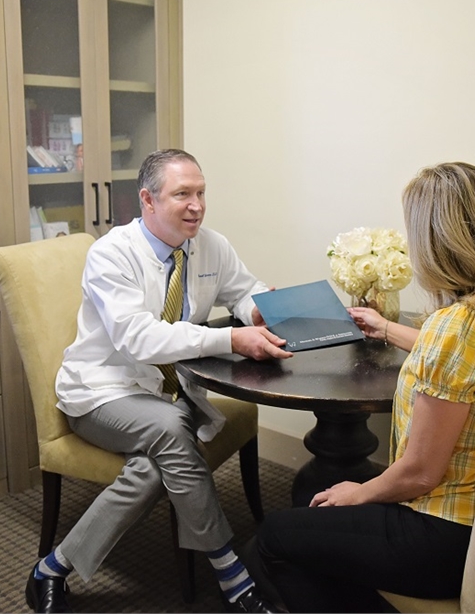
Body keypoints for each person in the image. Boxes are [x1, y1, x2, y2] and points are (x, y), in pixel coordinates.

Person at [247, 161, 475, 612]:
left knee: (270, 542)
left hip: (439, 532)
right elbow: (467, 366)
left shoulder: (454, 328)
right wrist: (387, 329)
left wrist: (358, 493)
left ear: (438, 242)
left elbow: (420, 473)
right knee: (319, 511)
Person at [25, 149, 291, 614]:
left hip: (167, 396)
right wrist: (228, 336)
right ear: (147, 200)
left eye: (201, 193)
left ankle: (53, 567)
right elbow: (139, 340)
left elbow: (243, 290)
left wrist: (257, 309)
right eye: (182, 194)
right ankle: (232, 573)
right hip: (100, 393)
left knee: (154, 465)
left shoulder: (210, 245)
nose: (197, 206)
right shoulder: (111, 254)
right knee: (171, 427)